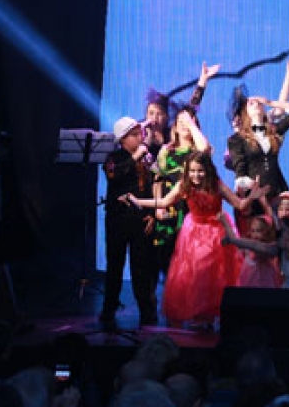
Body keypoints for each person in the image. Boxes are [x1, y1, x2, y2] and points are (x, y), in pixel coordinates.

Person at [122, 152, 268, 327]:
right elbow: (164, 202)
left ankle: (210, 314)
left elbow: (239, 204)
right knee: (198, 273)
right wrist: (137, 201)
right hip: (194, 233)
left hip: (216, 232)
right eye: (192, 171)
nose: (196, 175)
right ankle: (199, 314)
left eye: (200, 171)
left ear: (207, 170)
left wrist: (252, 197)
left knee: (216, 276)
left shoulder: (216, 185)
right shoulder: (184, 185)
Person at [226, 58, 289, 223]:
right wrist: (256, 189)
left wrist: (270, 102)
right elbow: (240, 175)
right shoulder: (237, 139)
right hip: (254, 196)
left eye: (258, 103)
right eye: (251, 104)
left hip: (277, 191)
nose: (256, 104)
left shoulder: (273, 131)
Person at [100, 116, 158, 328]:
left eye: (139, 134)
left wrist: (152, 213)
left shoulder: (147, 158)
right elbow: (113, 175)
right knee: (115, 265)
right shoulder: (113, 157)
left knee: (141, 267)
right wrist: (135, 157)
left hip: (140, 220)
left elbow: (152, 187)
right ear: (122, 138)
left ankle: (146, 311)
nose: (139, 138)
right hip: (118, 219)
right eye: (134, 135)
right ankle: (109, 310)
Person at [151, 108, 210, 283]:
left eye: (190, 121)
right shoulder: (166, 150)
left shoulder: (199, 151)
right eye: (181, 121)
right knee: (167, 258)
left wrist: (191, 125)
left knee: (193, 259)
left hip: (192, 209)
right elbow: (157, 179)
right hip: (169, 207)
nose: (185, 125)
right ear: (175, 127)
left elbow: (204, 148)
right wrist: (158, 207)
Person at [222, 210, 289, 292]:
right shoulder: (280, 249)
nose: (281, 233)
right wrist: (234, 240)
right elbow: (256, 245)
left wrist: (285, 244)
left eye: (284, 230)